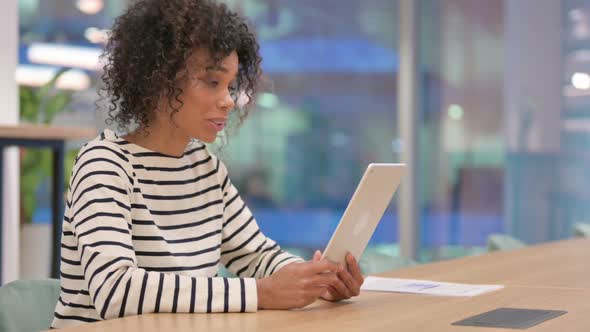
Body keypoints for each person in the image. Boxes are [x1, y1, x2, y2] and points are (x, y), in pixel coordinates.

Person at [51, 0, 363, 329]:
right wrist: (261, 293)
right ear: (159, 81)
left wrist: (313, 280)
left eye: (230, 86)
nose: (228, 100)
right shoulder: (104, 164)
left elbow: (257, 256)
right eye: (213, 82)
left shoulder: (206, 169)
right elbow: (116, 291)